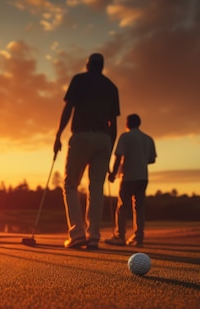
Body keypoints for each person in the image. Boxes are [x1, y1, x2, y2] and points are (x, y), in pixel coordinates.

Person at [54, 52, 120, 249]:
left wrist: (58, 134)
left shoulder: (79, 80)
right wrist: (110, 149)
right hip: (104, 138)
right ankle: (93, 236)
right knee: (96, 188)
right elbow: (114, 124)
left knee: (71, 184)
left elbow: (68, 109)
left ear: (87, 65)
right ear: (102, 66)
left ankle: (77, 234)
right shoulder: (111, 87)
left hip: (82, 135)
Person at [104, 113, 157, 248]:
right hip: (143, 176)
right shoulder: (148, 138)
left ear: (128, 123)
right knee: (139, 207)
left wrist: (113, 174)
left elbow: (118, 156)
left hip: (128, 176)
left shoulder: (125, 137)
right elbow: (151, 159)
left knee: (122, 206)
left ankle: (120, 236)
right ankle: (138, 236)